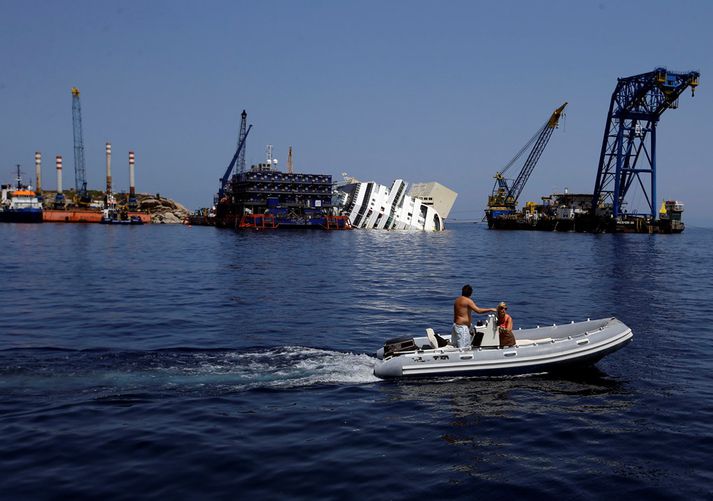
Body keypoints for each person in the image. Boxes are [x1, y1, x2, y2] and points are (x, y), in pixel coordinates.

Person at [452, 284, 497, 349]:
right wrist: (490, 309)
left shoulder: (457, 300)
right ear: (471, 293)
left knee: (456, 346)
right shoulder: (468, 301)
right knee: (464, 348)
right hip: (462, 328)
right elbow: (478, 311)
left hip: (456, 326)